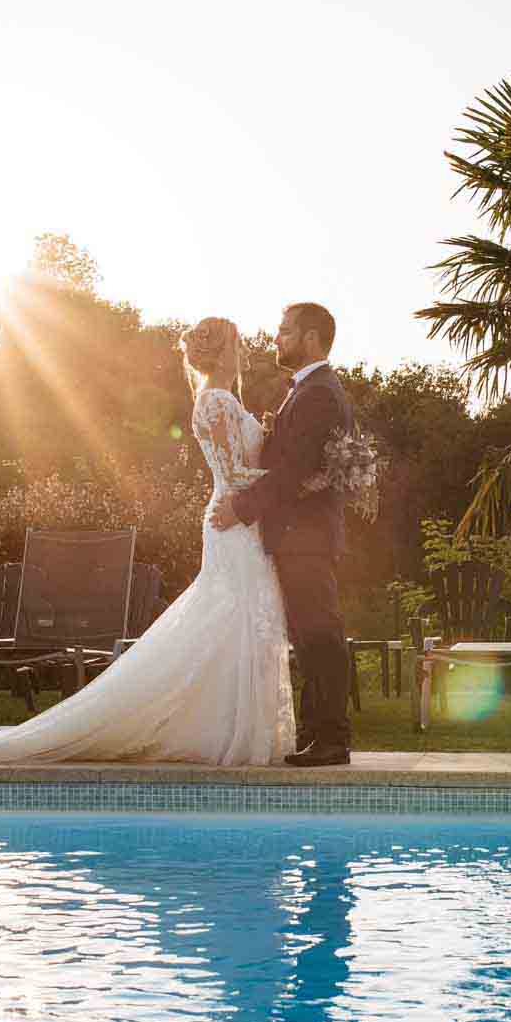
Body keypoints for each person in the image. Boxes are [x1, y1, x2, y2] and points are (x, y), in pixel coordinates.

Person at [0, 316, 295, 765]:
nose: (245, 350)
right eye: (237, 343)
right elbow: (233, 475)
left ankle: (233, 727)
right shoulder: (214, 401)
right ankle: (228, 732)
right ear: (223, 350)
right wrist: (296, 482)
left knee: (240, 622)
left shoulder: (225, 400)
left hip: (243, 523)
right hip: (233, 523)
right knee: (236, 619)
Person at [211, 302, 354, 766]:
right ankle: (318, 735)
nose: (276, 337)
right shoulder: (309, 389)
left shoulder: (317, 393)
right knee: (311, 635)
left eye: (285, 330)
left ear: (311, 338)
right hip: (298, 535)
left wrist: (242, 508)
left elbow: (294, 471)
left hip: (306, 535)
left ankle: (331, 740)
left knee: (321, 634)